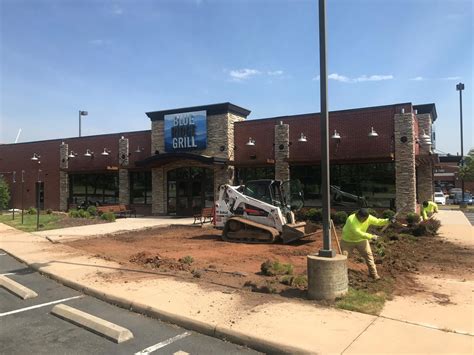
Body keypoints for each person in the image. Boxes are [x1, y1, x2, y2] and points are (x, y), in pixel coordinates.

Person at [341, 208, 394, 280]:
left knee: (369, 256)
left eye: (365, 219)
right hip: (348, 241)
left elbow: (377, 221)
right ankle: (340, 275)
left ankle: (374, 275)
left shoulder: (368, 217)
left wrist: (387, 220)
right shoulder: (351, 220)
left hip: (361, 240)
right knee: (343, 258)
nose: (364, 220)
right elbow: (358, 233)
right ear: (358, 216)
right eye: (362, 219)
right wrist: (371, 236)